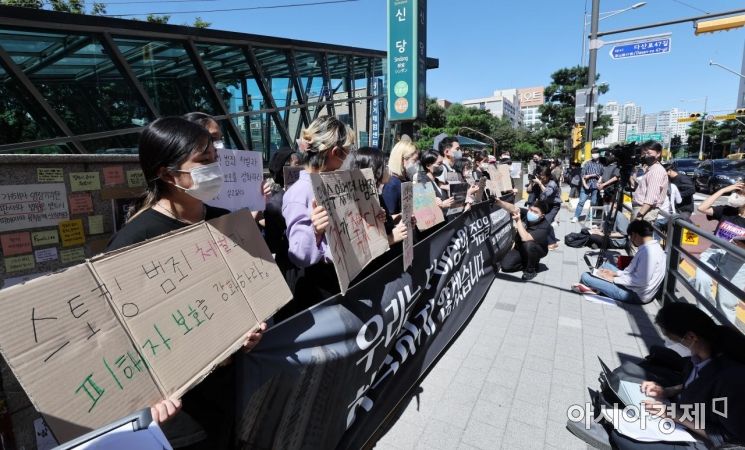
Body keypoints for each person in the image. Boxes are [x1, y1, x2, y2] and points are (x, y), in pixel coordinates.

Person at [106, 117, 265, 449]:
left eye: (215, 160)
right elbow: (114, 336)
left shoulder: (225, 220)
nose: (215, 169)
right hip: (181, 416)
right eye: (204, 162)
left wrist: (253, 328)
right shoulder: (135, 240)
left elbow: (248, 294)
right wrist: (145, 393)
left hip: (232, 391)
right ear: (167, 174)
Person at [282, 116, 354, 309]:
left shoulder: (332, 184)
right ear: (335, 152)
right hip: (319, 290)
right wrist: (315, 230)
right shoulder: (299, 192)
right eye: (347, 152)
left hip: (340, 278)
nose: (348, 158)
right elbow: (299, 254)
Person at [572, 220, 665, 303]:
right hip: (636, 288)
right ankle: (598, 288)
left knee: (585, 276)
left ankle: (597, 289)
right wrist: (615, 273)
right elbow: (633, 272)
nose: (631, 240)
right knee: (605, 266)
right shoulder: (653, 247)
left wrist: (613, 279)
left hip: (635, 294)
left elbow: (640, 281)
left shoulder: (648, 253)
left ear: (634, 235)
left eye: (630, 237)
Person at [693, 180, 745, 324]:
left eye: (741, 192)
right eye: (737, 191)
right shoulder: (728, 210)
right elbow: (702, 208)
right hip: (714, 252)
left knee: (726, 301)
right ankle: (705, 322)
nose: (736, 194)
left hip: (737, 260)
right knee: (701, 280)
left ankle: (725, 335)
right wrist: (724, 190)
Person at [493, 198, 551, 281]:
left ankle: (531, 270)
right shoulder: (527, 213)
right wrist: (499, 202)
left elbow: (525, 238)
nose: (531, 213)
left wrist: (518, 220)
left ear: (542, 216)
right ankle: (528, 262)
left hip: (538, 249)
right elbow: (513, 208)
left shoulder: (544, 227)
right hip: (521, 247)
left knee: (528, 244)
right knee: (506, 266)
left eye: (535, 212)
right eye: (531, 209)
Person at [629, 141, 668, 223]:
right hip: (641, 209)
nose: (645, 155)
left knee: (641, 235)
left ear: (658, 154)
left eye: (648, 153)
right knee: (635, 235)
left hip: (644, 211)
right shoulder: (650, 169)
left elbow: (651, 197)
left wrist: (639, 215)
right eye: (643, 153)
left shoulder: (656, 171)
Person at [382, 140, 419, 215]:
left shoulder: (406, 179)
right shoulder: (392, 184)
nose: (416, 164)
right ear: (402, 160)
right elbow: (389, 216)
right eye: (414, 160)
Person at [571, 149, 603, 223]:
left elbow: (602, 175)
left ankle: (589, 217)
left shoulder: (601, 165)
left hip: (596, 186)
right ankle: (576, 216)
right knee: (581, 201)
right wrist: (585, 184)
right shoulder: (587, 163)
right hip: (586, 185)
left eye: (596, 153)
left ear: (599, 154)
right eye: (593, 153)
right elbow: (582, 175)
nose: (594, 154)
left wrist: (599, 180)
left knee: (594, 202)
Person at [533, 166, 561, 250]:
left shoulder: (552, 183)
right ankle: (550, 240)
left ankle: (552, 243)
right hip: (545, 205)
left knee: (546, 222)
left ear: (548, 176)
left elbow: (547, 193)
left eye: (543, 176)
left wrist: (539, 183)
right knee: (545, 222)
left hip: (554, 206)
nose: (541, 177)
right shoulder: (543, 181)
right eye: (540, 175)